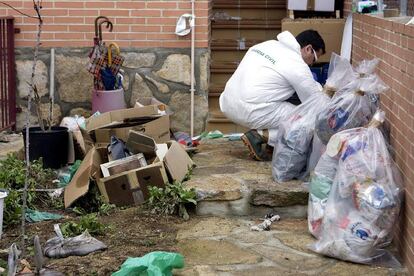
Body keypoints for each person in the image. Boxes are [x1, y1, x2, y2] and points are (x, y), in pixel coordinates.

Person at [219, 29, 326, 161]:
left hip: (227, 101)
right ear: (308, 49)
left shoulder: (268, 45)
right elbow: (314, 101)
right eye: (314, 59)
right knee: (308, 119)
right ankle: (262, 136)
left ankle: (272, 145)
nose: (311, 64)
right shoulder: (296, 64)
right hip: (249, 109)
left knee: (285, 103)